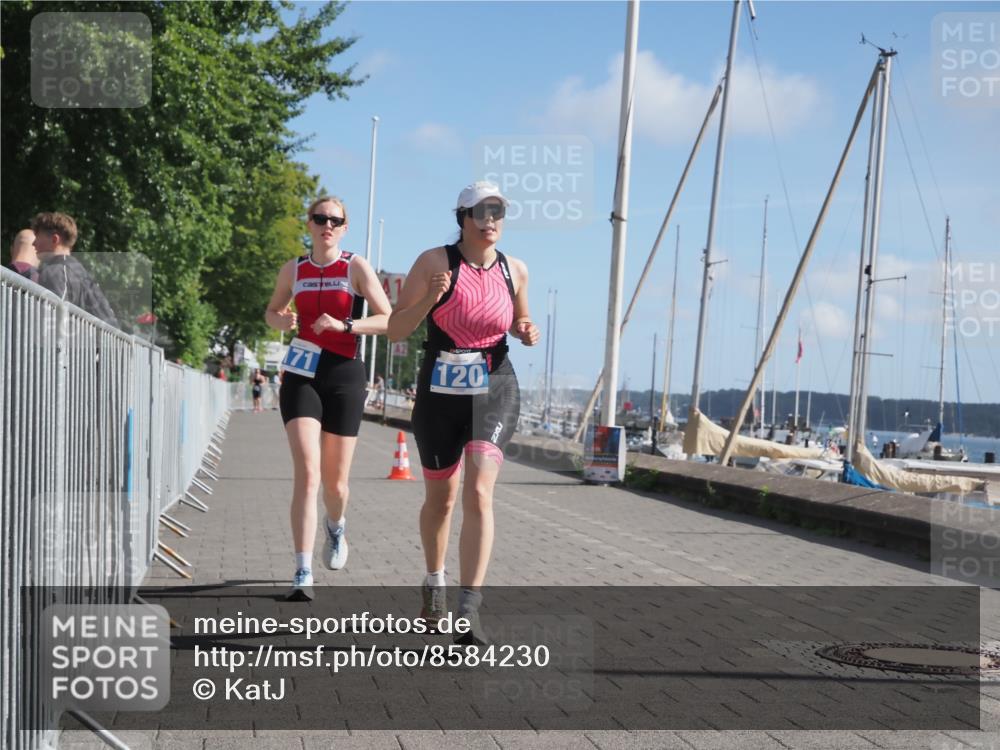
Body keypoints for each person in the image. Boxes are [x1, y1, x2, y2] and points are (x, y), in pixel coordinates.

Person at [388, 181, 539, 644]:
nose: (491, 220)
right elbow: (396, 328)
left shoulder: (515, 270)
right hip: (440, 385)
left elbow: (517, 320)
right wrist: (430, 299)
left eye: (498, 212)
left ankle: (468, 608)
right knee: (443, 499)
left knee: (478, 489)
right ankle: (434, 581)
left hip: (494, 382)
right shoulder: (434, 262)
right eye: (482, 211)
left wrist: (526, 329)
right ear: (463, 217)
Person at [265, 196, 392, 600]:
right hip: (302, 373)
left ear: (344, 227)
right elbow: (271, 311)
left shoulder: (355, 267)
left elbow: (389, 318)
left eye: (335, 220)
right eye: (320, 218)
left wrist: (347, 324)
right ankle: (302, 570)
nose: (327, 226)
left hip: (344, 375)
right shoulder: (294, 268)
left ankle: (335, 527)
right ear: (309, 222)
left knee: (336, 485)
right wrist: (280, 319)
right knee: (308, 471)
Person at [32, 212, 118, 327]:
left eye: (37, 236)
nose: (33, 243)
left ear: (54, 239)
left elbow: (53, 324)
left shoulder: (55, 272)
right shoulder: (81, 272)